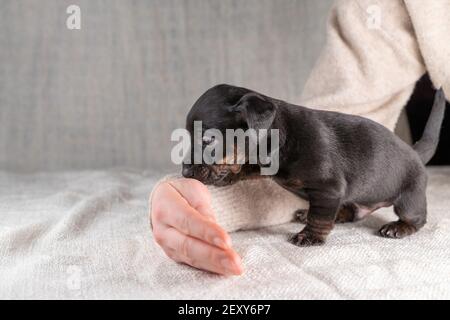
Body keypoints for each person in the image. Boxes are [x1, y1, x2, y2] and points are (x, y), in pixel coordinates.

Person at [149, 0, 450, 275]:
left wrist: (317, 228)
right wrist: (194, 200)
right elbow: (349, 107)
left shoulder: (281, 143)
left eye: (208, 143)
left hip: (401, 176)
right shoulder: (283, 145)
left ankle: (406, 219)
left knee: (408, 204)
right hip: (361, 178)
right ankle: (348, 208)